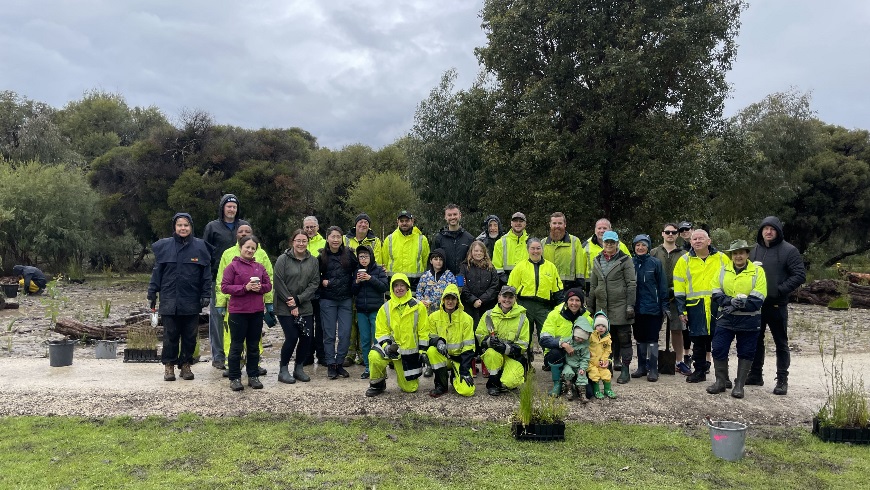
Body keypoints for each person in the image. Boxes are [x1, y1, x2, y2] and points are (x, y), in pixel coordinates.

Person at [148, 212, 213, 382]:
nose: (183, 228)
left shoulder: (201, 247)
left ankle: (186, 364)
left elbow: (206, 275)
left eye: (186, 225)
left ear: (191, 227)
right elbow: (157, 273)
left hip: (191, 299)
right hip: (169, 298)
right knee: (170, 335)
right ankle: (168, 366)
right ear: (174, 228)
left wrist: (206, 293)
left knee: (190, 335)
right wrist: (152, 292)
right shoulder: (164, 246)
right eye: (179, 225)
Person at [747, 216, 806, 395]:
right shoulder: (754, 250)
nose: (768, 231)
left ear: (778, 231)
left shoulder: (789, 251)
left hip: (777, 305)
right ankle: (756, 374)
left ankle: (782, 379)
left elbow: (799, 275)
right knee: (756, 340)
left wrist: (780, 290)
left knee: (781, 343)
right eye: (765, 228)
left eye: (772, 228)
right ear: (761, 231)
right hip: (757, 304)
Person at [707, 240, 768, 399]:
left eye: (741, 252)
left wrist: (737, 305)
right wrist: (729, 302)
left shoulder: (757, 272)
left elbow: (758, 298)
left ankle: (739, 385)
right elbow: (715, 292)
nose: (738, 256)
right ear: (731, 255)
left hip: (749, 321)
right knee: (719, 348)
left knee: (746, 352)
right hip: (725, 319)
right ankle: (721, 382)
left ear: (747, 254)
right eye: (735, 253)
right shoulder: (722, 270)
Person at [214, 224, 273, 378]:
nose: (250, 250)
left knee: (254, 345)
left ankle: (253, 373)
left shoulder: (260, 264)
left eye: (253, 248)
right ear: (240, 247)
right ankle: (234, 373)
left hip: (256, 310)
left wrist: (265, 296)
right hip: (237, 310)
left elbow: (269, 283)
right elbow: (223, 285)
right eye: (247, 247)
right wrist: (242, 289)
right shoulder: (230, 262)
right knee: (235, 344)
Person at [673, 229, 730, 383]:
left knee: (719, 342)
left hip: (716, 306)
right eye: (694, 239)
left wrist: (728, 302)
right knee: (698, 341)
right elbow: (679, 288)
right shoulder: (684, 261)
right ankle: (699, 372)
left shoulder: (722, 258)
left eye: (701, 238)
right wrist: (681, 309)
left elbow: (730, 280)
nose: (697, 241)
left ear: (709, 241)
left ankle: (723, 376)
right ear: (690, 242)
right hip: (695, 307)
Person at [202, 194, 249, 370]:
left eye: (234, 207)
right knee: (217, 317)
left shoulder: (244, 226)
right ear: (223, 208)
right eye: (228, 206)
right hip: (218, 279)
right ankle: (219, 356)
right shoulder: (212, 227)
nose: (231, 209)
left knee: (241, 318)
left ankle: (238, 355)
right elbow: (205, 255)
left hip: (243, 281)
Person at [365, 273, 431, 397]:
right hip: (390, 348)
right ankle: (378, 384)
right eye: (396, 285)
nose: (399, 288)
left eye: (402, 285)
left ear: (407, 287)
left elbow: (424, 331)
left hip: (408, 353)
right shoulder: (385, 308)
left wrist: (423, 351)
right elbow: (381, 332)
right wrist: (387, 347)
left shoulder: (418, 306)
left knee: (411, 389)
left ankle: (398, 369)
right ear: (392, 288)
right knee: (374, 356)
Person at [588, 230, 637, 384]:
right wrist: (590, 307)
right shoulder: (597, 260)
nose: (609, 245)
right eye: (606, 242)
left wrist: (630, 305)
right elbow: (593, 286)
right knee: (604, 340)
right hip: (602, 308)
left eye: (612, 242)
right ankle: (606, 368)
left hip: (621, 306)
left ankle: (625, 369)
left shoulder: (625, 260)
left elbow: (631, 284)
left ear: (617, 244)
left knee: (624, 339)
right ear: (603, 243)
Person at [273, 229, 320, 385]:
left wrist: (299, 300)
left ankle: (298, 368)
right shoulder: (282, 260)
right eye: (298, 240)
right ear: (292, 242)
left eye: (304, 241)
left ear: (308, 243)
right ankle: (283, 369)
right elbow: (278, 282)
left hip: (305, 305)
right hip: (284, 306)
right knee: (292, 336)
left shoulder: (313, 261)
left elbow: (314, 283)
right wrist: (290, 302)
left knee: (307, 337)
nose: (301, 244)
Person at [507, 238, 563, 363]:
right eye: (532, 248)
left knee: (546, 333)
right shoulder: (520, 266)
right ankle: (525, 361)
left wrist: (559, 307)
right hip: (524, 304)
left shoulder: (551, 267)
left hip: (544, 306)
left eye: (538, 248)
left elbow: (557, 290)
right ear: (528, 250)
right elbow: (511, 289)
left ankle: (549, 361)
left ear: (542, 250)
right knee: (525, 334)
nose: (535, 251)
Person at [342, 213, 383, 369]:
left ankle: (363, 354)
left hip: (368, 282)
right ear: (355, 224)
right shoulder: (346, 239)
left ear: (369, 226)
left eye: (366, 222)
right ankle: (350, 352)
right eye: (360, 222)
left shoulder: (376, 241)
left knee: (365, 322)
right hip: (350, 280)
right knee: (351, 320)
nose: (363, 225)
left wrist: (373, 273)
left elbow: (379, 260)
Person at [650, 223, 691, 375]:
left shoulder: (684, 254)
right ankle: (652, 360)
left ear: (678, 235)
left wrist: (678, 291)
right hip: (657, 298)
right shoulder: (654, 252)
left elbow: (688, 276)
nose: (670, 234)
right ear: (662, 234)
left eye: (674, 232)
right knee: (653, 330)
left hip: (677, 298)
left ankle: (679, 361)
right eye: (667, 232)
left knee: (677, 330)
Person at [318, 226, 358, 380]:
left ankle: (340, 363)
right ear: (327, 238)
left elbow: (359, 268)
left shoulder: (349, 254)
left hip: (345, 299)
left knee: (345, 333)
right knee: (329, 334)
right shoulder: (321, 256)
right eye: (332, 236)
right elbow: (315, 277)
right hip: (327, 300)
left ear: (342, 238)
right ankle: (330, 364)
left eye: (338, 237)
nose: (335, 240)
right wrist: (323, 282)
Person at [476, 285, 530, 396]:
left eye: (511, 297)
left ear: (515, 299)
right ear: (499, 298)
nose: (507, 300)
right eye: (504, 296)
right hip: (495, 353)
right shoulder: (488, 315)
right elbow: (480, 336)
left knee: (511, 382)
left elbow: (523, 344)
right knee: (491, 354)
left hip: (513, 356)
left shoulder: (522, 318)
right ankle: (493, 384)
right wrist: (489, 341)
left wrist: (505, 348)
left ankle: (503, 380)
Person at [539, 288, 592, 399]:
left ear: (582, 303)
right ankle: (557, 383)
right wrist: (563, 344)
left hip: (579, 358)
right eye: (571, 300)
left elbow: (595, 343)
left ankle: (574, 380)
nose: (574, 303)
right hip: (559, 356)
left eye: (577, 300)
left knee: (589, 394)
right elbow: (544, 340)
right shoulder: (554, 315)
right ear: (566, 301)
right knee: (555, 352)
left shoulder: (588, 319)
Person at [425, 284, 476, 397]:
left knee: (467, 391)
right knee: (432, 351)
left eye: (453, 298)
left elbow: (469, 347)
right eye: (447, 298)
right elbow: (429, 338)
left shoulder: (467, 319)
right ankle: (441, 386)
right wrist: (438, 341)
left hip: (460, 360)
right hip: (443, 357)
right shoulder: (433, 317)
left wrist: (464, 371)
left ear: (457, 301)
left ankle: (455, 376)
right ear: (443, 300)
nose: (450, 301)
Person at [459, 240, 501, 377]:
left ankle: (485, 363)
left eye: (480, 251)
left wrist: (482, 300)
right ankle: (471, 363)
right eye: (475, 251)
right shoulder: (464, 267)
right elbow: (461, 286)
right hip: (469, 306)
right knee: (470, 334)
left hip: (486, 306)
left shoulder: (490, 267)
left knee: (486, 333)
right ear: (471, 252)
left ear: (484, 253)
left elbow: (495, 286)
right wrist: (472, 300)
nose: (478, 253)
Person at [630, 234, 668, 382]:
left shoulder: (655, 263)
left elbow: (662, 286)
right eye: (637, 245)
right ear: (634, 247)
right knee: (639, 338)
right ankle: (641, 367)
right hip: (636, 308)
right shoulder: (630, 263)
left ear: (648, 247)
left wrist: (664, 306)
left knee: (652, 338)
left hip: (653, 308)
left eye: (643, 245)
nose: (640, 248)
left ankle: (653, 368)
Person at [352, 245, 388, 379]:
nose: (363, 259)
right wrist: (357, 281)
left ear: (371, 257)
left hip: (376, 310)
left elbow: (384, 287)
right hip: (361, 310)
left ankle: (379, 366)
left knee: (377, 339)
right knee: (365, 340)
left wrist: (370, 278)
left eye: (366, 256)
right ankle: (368, 367)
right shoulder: (355, 271)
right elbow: (352, 291)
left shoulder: (378, 270)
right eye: (361, 256)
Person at [382, 210, 430, 291]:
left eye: (407, 221)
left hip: (416, 283)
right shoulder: (389, 239)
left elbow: (426, 262)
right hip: (394, 282)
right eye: (401, 221)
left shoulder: (422, 239)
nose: (404, 223)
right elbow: (385, 262)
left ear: (412, 221)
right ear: (397, 222)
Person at [303, 216, 327, 367]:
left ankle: (322, 354)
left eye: (312, 227)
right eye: (307, 227)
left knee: (321, 324)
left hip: (321, 289)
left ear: (318, 227)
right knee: (306, 324)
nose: (310, 230)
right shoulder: (300, 242)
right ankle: (307, 354)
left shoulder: (324, 243)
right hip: (304, 290)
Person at [542, 212, 588, 292]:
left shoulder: (575, 241)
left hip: (569, 288)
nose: (557, 226)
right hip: (547, 287)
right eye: (554, 223)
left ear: (565, 224)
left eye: (560, 223)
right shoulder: (543, 243)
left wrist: (579, 287)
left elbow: (580, 267)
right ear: (550, 225)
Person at [430, 204, 475, 276]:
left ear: (460, 215)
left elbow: (474, 262)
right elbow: (433, 262)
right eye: (449, 215)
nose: (452, 217)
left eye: (455, 214)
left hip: (465, 280)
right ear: (445, 217)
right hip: (444, 281)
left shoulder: (469, 238)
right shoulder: (438, 238)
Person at [492, 212, 529, 284]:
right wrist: (509, 282)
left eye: (521, 221)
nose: (518, 223)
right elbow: (497, 268)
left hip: (526, 284)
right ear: (511, 223)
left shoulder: (530, 242)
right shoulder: (500, 242)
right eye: (515, 221)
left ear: (525, 224)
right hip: (506, 283)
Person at [415, 249, 457, 314]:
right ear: (431, 261)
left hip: (444, 312)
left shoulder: (449, 276)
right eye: (436, 259)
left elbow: (455, 292)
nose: (438, 261)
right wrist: (422, 301)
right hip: (427, 312)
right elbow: (419, 292)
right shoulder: (425, 276)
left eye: (441, 259)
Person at [587, 312, 616, 399]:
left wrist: (605, 360)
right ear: (594, 326)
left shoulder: (607, 338)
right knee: (594, 374)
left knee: (606, 373)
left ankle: (607, 389)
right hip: (591, 362)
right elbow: (585, 345)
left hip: (600, 361)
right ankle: (596, 390)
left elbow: (607, 351)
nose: (601, 328)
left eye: (603, 326)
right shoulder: (591, 336)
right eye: (598, 325)